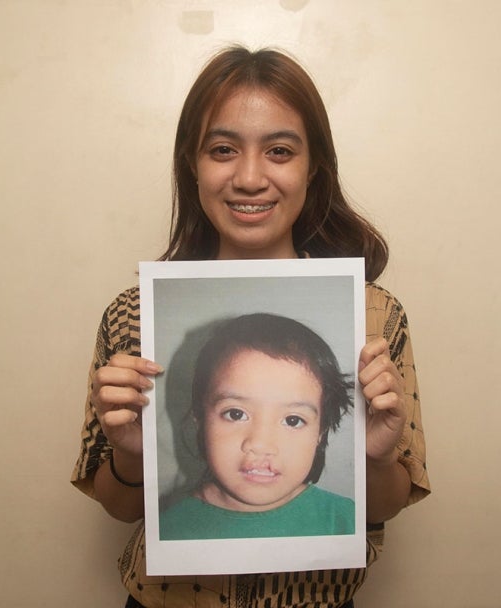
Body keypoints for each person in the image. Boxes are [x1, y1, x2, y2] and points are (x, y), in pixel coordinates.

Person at [71, 45, 430, 608]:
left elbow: (383, 506)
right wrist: (131, 452)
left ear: (314, 167)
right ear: (192, 163)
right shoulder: (134, 314)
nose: (249, 177)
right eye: (222, 149)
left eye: (280, 150)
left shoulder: (375, 315)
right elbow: (120, 508)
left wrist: (380, 457)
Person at [159, 312, 355, 540]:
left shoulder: (347, 521)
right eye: (236, 414)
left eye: (292, 420)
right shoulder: (166, 531)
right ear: (199, 418)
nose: (261, 444)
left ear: (320, 431)